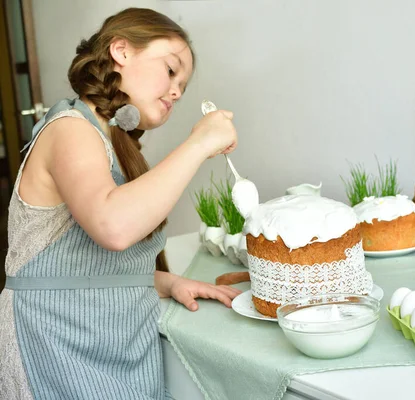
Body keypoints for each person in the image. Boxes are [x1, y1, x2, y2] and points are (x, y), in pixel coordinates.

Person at [0, 7, 241, 399]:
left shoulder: (111, 145)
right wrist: (198, 144)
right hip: (54, 346)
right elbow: (112, 227)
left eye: (183, 83)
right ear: (122, 51)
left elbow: (88, 269)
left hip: (117, 345)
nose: (178, 90)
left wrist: (167, 282)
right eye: (171, 70)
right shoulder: (69, 130)